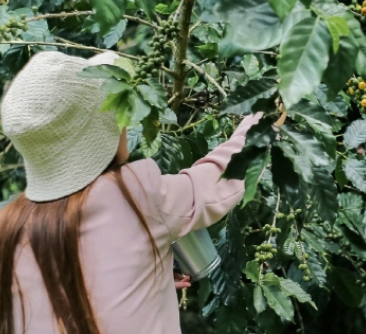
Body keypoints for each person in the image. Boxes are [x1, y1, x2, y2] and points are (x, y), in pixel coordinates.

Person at [0, 51, 261, 334]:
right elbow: (220, 178)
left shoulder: (9, 226)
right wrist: (264, 116)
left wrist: (139, 277)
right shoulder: (134, 193)